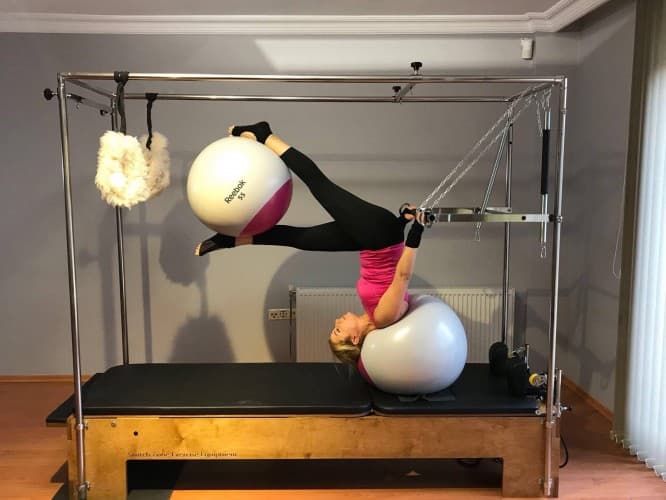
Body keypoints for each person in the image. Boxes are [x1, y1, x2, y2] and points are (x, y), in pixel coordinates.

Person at [195, 122, 427, 364]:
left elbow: (389, 267)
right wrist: (416, 230)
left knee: (300, 239)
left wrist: (401, 222)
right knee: (319, 185)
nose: (337, 322)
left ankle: (232, 240)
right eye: (338, 330)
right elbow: (402, 276)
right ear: (355, 338)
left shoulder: (373, 315)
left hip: (374, 241)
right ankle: (264, 134)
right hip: (378, 235)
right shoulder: (384, 318)